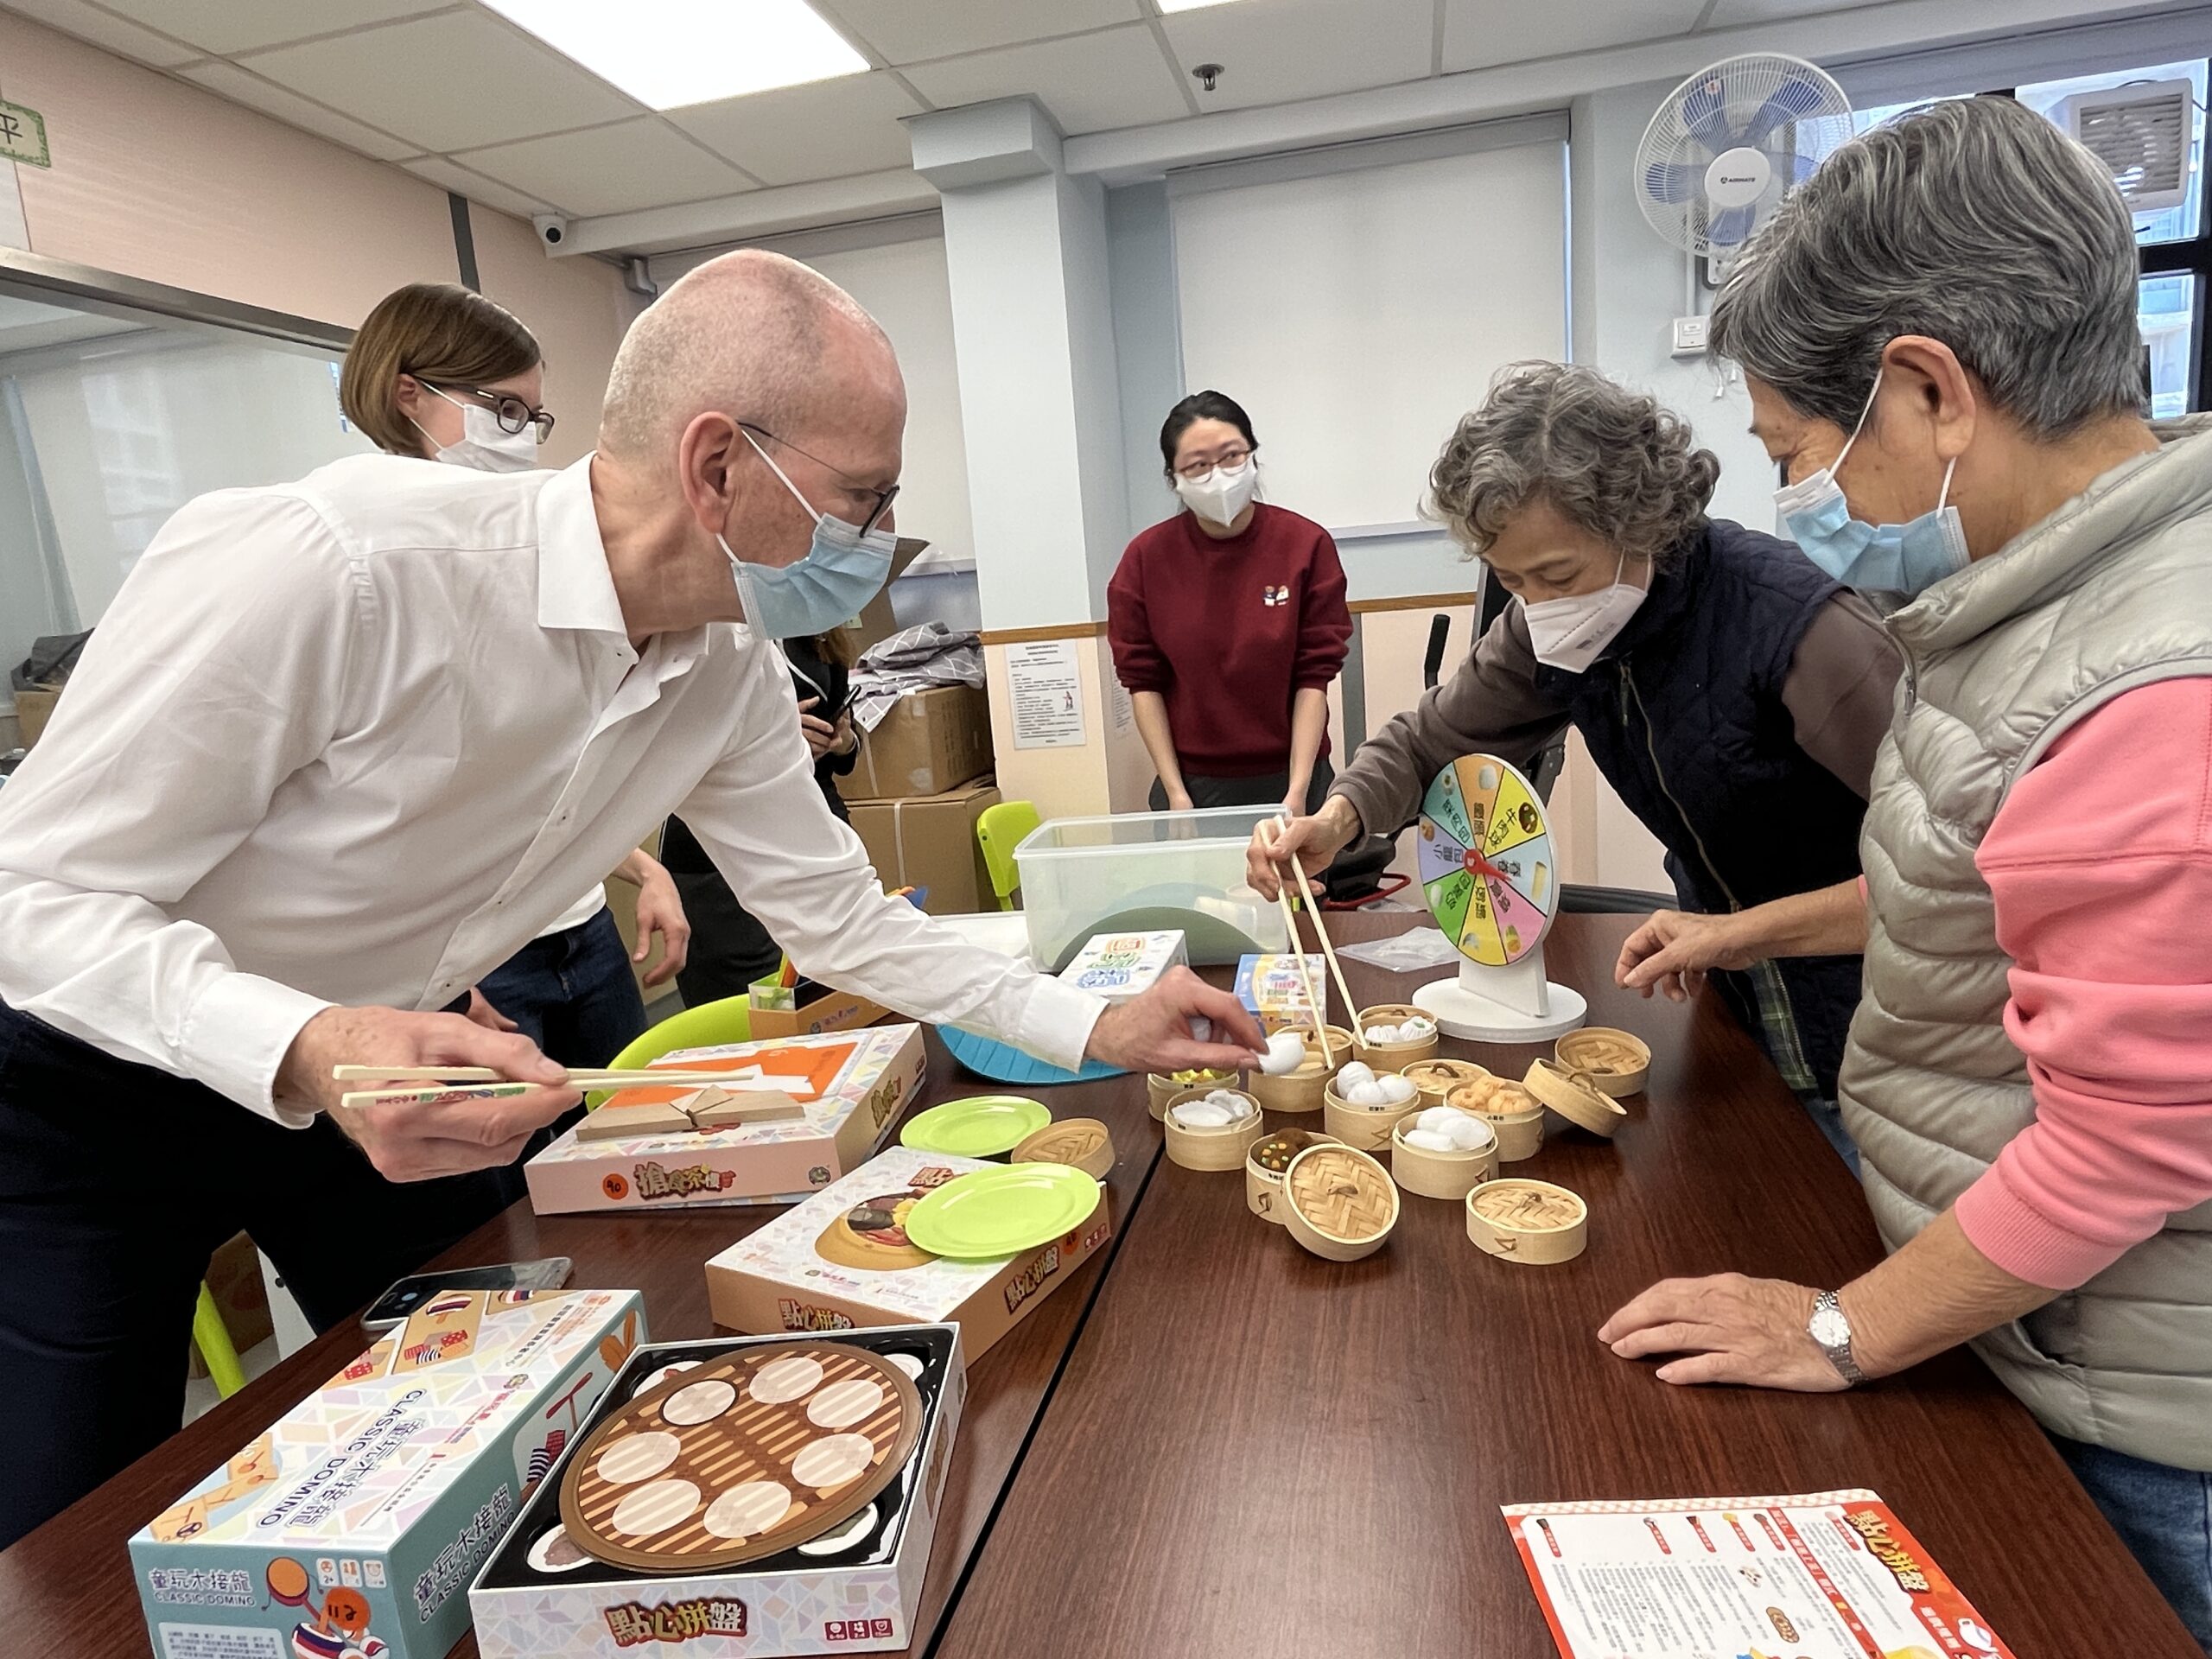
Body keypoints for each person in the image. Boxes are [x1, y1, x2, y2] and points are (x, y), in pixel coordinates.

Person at [0, 250, 1265, 1548]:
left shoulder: (725, 662)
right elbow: (29, 896)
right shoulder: (347, 563)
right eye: (863, 498)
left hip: (379, 1069)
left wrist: (1087, 1023)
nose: (880, 541)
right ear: (717, 466)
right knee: (65, 1517)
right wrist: (306, 1041)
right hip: (88, 1084)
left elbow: (840, 919)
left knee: (504, 1424)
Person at [1599, 97, 2212, 1645]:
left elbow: (2126, 1148)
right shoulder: (2043, 608)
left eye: (1802, 455)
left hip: (2134, 1406)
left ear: (1931, 392)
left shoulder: (2147, 683)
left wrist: (1833, 1326)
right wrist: (1753, 932)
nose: (1812, 508)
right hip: (2032, 1333)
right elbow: (2004, 890)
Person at [1250, 361, 1901, 1160]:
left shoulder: (1799, 629)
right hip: (1737, 1010)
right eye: (1511, 579)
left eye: (1557, 574)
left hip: (1890, 1024)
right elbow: (1431, 740)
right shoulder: (1551, 632)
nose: (1539, 605)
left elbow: (1966, 878)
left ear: (1643, 523)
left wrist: (1740, 933)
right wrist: (1337, 817)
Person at [339, 282, 691, 1069]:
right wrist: (442, 985)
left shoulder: (535, 558)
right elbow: (402, 812)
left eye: (532, 417)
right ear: (409, 395)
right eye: (504, 411)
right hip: (478, 959)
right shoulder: (368, 568)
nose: (523, 438)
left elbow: (537, 783)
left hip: (579, 924)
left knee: (622, 1133)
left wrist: (642, 867)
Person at [1108, 391, 1351, 819]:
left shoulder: (1305, 545)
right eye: (1198, 465)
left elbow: (1314, 677)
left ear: (1253, 456)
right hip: (1189, 783)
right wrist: (1177, 795)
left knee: (1301, 888)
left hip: (1294, 773)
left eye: (1231, 456)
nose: (1218, 475)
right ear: (1174, 477)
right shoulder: (1144, 559)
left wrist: (1297, 794)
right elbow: (1143, 684)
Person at [660, 627, 859, 1006]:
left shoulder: (816, 633)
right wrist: (775, 736)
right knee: (750, 1000)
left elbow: (846, 752)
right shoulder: (701, 639)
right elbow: (671, 751)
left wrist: (843, 740)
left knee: (825, 990)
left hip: (813, 830)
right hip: (718, 853)